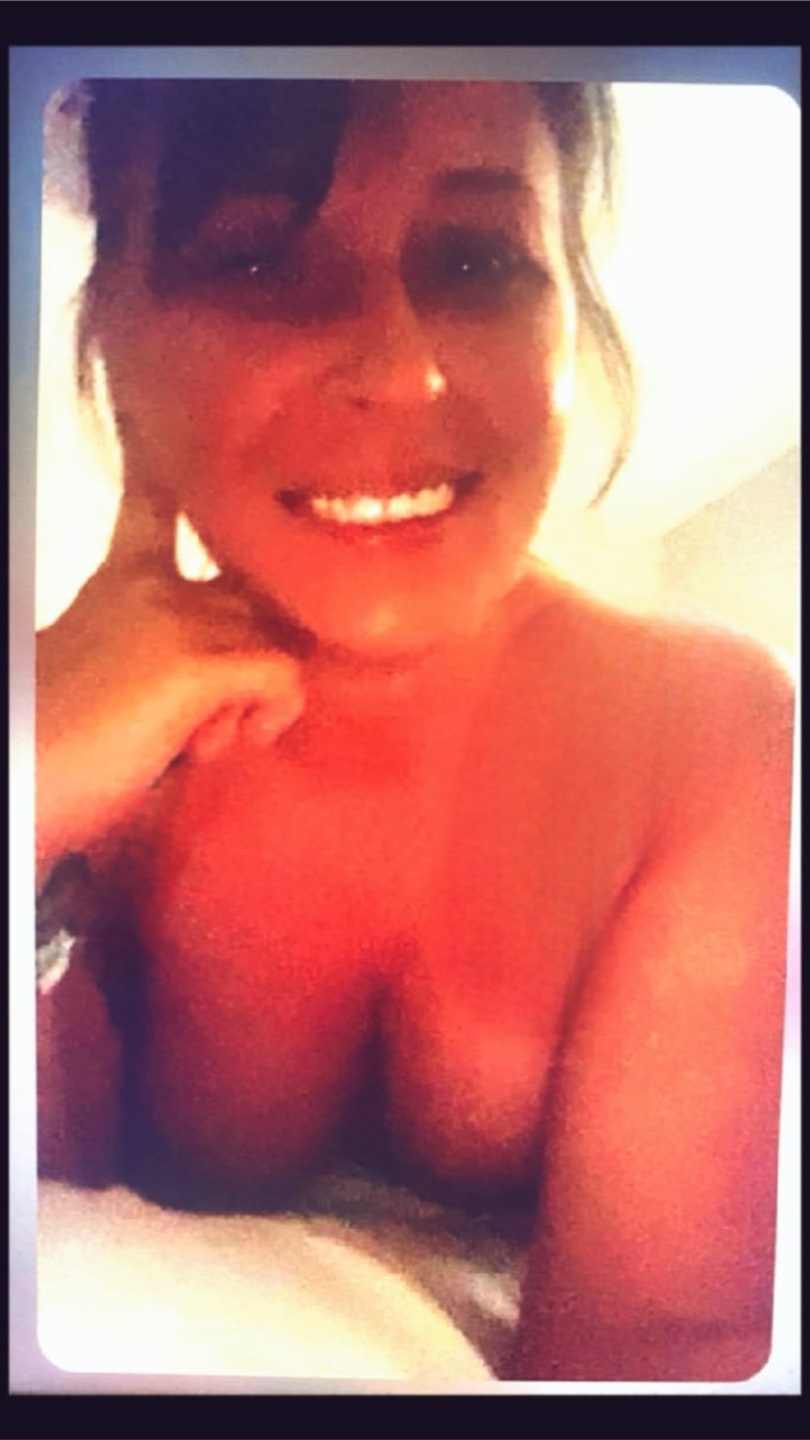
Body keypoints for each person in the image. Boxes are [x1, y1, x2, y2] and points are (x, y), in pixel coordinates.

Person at [35, 78, 793, 1382]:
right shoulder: (73, 727)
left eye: (478, 259)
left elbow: (661, 1350)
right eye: (258, 257)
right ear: (112, 327)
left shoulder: (711, 743)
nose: (403, 367)